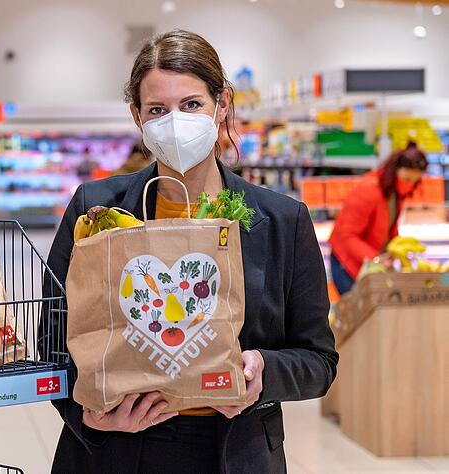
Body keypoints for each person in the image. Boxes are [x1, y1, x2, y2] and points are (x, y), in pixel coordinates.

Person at [40, 30, 338, 473]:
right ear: (137, 117)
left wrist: (263, 372)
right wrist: (86, 414)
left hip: (233, 451)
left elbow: (319, 359)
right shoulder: (96, 210)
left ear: (222, 105)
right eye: (157, 109)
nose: (174, 121)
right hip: (115, 451)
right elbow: (51, 340)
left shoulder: (281, 222)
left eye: (192, 104)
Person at [328, 143, 427, 294]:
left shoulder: (393, 193)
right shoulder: (368, 190)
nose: (409, 185)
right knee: (357, 316)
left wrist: (396, 251)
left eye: (414, 181)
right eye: (407, 178)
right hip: (348, 265)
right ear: (395, 170)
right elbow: (347, 235)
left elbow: (389, 228)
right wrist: (375, 258)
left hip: (369, 264)